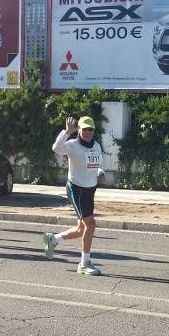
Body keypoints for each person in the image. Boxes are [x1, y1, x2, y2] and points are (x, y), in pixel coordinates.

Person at [42, 116, 106, 276]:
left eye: (91, 129)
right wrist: (66, 132)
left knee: (80, 229)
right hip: (76, 188)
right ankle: (84, 263)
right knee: (91, 225)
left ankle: (52, 239)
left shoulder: (96, 146)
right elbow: (56, 148)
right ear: (79, 130)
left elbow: (99, 164)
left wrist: (101, 172)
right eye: (84, 129)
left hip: (90, 189)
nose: (88, 132)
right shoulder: (72, 145)